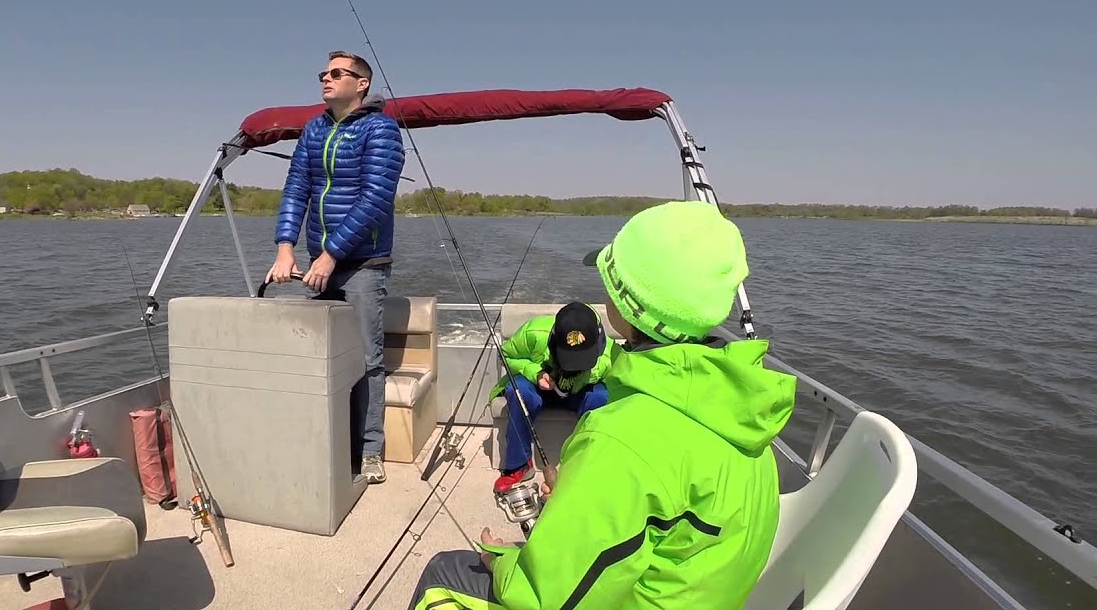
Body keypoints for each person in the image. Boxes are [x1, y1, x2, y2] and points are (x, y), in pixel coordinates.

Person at [407, 200, 798, 609]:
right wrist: (583, 492)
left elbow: (544, 598)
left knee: (443, 573)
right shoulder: (751, 424)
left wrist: (502, 561)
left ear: (627, 306)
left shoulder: (617, 440)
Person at [265, 50, 405, 485]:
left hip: (363, 262)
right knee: (319, 355)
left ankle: (370, 450)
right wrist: (285, 248)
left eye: (337, 73)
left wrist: (331, 255)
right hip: (318, 262)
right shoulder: (314, 129)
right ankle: (325, 439)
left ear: (362, 84)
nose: (326, 79)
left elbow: (375, 199)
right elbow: (296, 189)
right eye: (323, 73)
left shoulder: (381, 129)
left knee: (366, 359)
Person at [490, 301, 615, 494]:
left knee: (599, 397)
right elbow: (506, 355)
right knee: (519, 390)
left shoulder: (611, 355)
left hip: (578, 393)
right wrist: (535, 373)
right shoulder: (533, 333)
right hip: (542, 387)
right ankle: (518, 465)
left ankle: (589, 462)